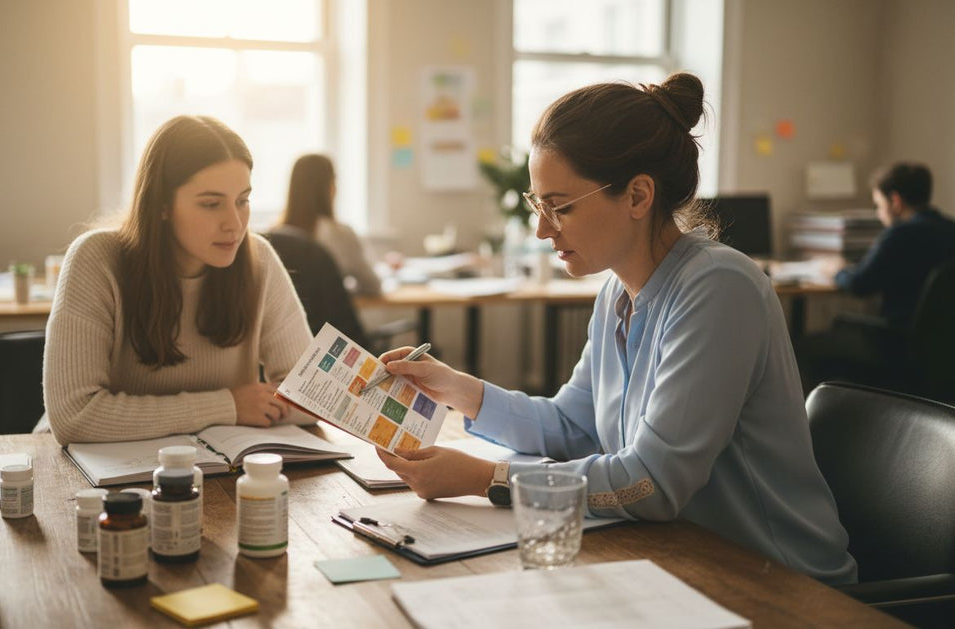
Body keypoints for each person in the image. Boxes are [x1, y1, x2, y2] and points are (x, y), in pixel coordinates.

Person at [376, 73, 857, 585]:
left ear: (637, 196)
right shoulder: (617, 293)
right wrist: (458, 390)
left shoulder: (720, 287)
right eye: (538, 204)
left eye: (559, 207)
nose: (542, 229)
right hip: (682, 561)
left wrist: (485, 477)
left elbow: (650, 483)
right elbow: (574, 427)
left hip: (779, 583)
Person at [43, 115, 313, 445]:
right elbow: (75, 417)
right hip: (93, 474)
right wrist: (228, 405)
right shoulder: (97, 258)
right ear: (161, 206)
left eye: (243, 201)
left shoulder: (259, 259)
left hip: (216, 470)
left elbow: (310, 398)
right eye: (211, 204)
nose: (235, 223)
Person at [796, 162, 955, 392]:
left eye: (879, 205)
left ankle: (818, 422)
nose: (879, 214)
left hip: (897, 344)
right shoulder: (950, 230)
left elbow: (859, 284)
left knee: (802, 347)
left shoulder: (899, 235)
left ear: (896, 201)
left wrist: (837, 271)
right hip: (943, 351)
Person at [273, 154, 383, 296]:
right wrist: (342, 292)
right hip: (329, 319)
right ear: (330, 187)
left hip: (289, 318)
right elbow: (373, 285)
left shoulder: (275, 235)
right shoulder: (342, 235)